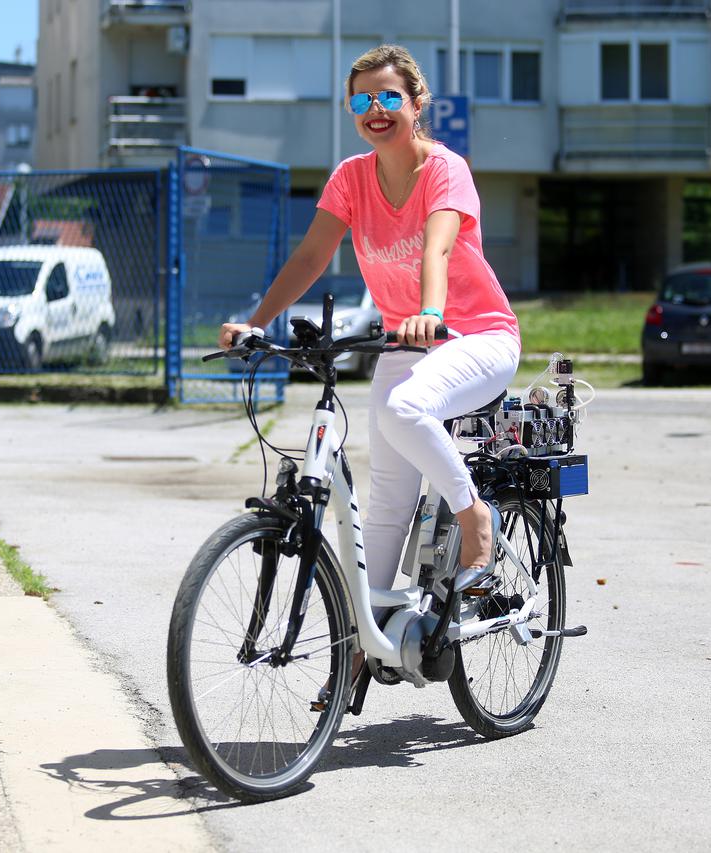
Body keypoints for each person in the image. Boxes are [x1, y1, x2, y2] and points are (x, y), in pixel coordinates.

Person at [218, 44, 521, 619]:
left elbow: (437, 246)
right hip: (404, 343)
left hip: (477, 336)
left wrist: (430, 310)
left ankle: (472, 513)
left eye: (388, 96)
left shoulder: (445, 169)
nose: (375, 110)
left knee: (404, 409)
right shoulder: (351, 178)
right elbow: (311, 257)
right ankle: (365, 641)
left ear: (417, 102)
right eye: (362, 100)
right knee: (385, 499)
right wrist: (256, 324)